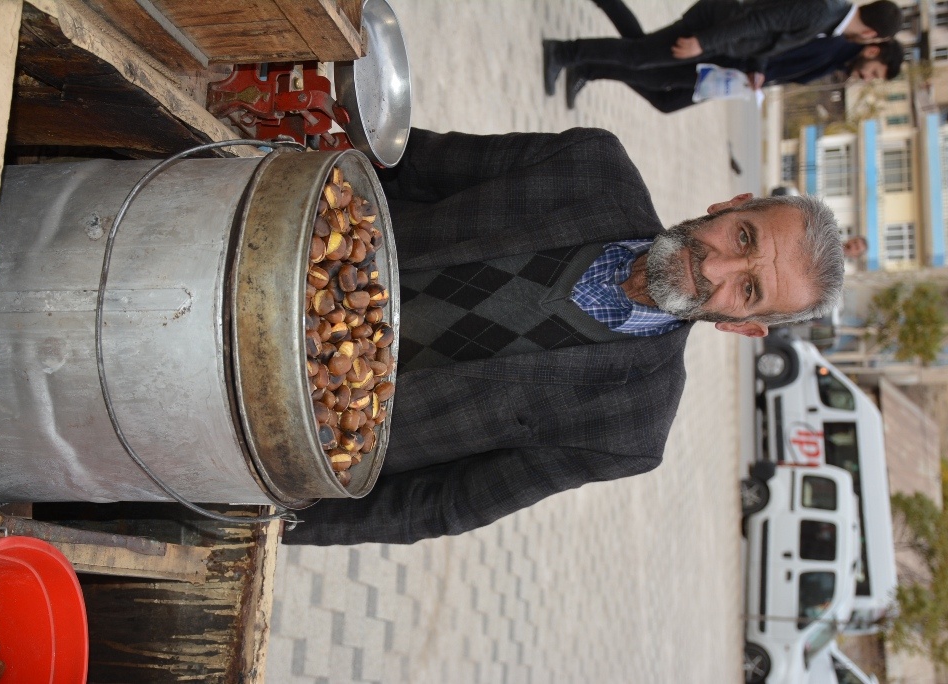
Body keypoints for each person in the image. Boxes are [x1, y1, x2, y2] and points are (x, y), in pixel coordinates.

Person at [283, 127, 844, 546]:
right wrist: (277, 163)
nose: (715, 267)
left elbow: (440, 505)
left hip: (286, 428)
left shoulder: (631, 426)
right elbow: (407, 161)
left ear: (742, 326)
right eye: (743, 238)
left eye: (748, 289)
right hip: (279, 253)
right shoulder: (591, 168)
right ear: (731, 205)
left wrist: (275, 517)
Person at [543, 0, 903, 97]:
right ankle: (562, 52)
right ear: (872, 36)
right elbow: (758, 20)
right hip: (715, 26)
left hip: (720, 32)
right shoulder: (823, 11)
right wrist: (704, 42)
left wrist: (757, 64)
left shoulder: (830, 17)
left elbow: (770, 31)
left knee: (641, 54)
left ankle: (571, 56)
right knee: (639, 55)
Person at [564, 38, 903, 112]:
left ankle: (590, 67)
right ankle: (587, 66)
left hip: (733, 79)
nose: (868, 79)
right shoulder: (834, 47)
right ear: (873, 51)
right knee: (653, 70)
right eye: (874, 73)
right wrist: (760, 69)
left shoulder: (838, 60)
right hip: (730, 64)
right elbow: (779, 44)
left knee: (665, 98)